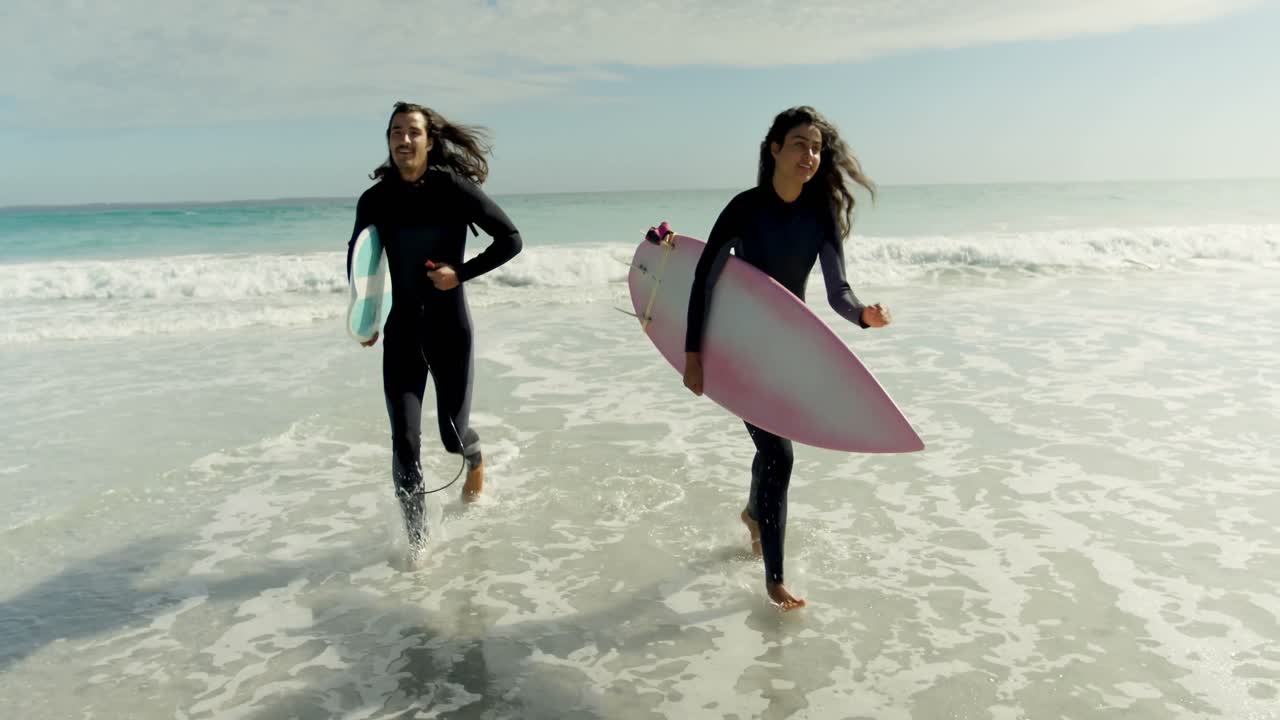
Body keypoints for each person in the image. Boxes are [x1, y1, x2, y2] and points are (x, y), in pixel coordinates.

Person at [683, 106, 892, 610]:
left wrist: (864, 315)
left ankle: (755, 515)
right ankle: (774, 579)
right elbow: (703, 279)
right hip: (738, 350)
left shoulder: (820, 219)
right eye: (799, 143)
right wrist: (693, 354)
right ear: (774, 148)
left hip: (787, 353)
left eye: (817, 147)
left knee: (770, 453)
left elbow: (838, 292)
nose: (810, 155)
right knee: (779, 455)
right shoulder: (744, 208)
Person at [346, 102, 523, 556]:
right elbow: (361, 261)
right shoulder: (375, 200)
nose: (404, 140)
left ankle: (475, 458)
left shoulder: (452, 189)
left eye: (413, 133)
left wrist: (458, 274)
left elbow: (511, 239)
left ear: (429, 140)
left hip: (449, 329)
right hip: (402, 331)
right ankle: (418, 546)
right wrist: (365, 317)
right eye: (396, 133)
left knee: (451, 434)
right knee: (404, 441)